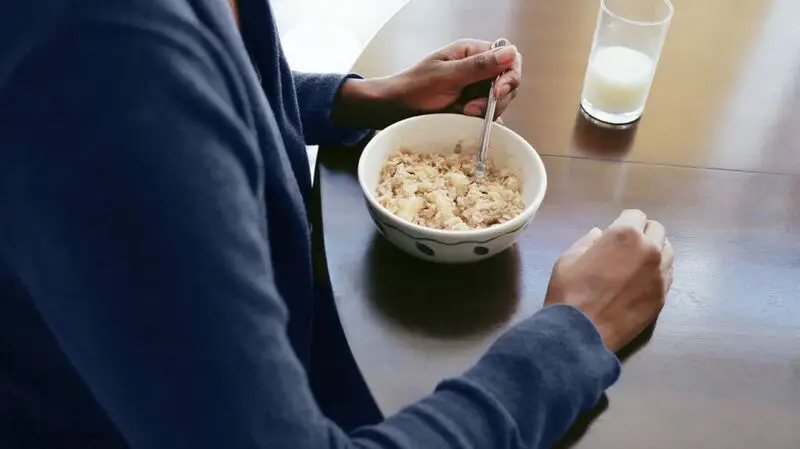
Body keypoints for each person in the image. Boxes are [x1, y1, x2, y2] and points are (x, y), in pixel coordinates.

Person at [0, 0, 674, 448]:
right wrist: (571, 337)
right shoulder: (102, 61)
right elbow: (144, 101)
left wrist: (364, 99)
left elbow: (209, 85)